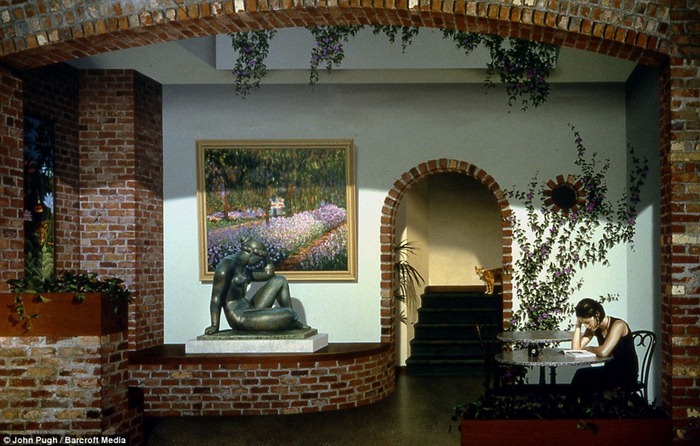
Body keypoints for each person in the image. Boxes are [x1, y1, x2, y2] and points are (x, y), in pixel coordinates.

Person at [204, 237, 302, 334]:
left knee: (280, 280)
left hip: (250, 308)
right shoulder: (226, 267)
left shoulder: (244, 269)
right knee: (290, 314)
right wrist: (214, 325)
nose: (259, 262)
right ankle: (291, 320)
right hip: (239, 317)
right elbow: (216, 298)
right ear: (252, 254)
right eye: (260, 259)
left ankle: (291, 322)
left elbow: (269, 273)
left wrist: (266, 256)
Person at [567, 298, 638, 402]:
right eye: (583, 323)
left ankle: (586, 409)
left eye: (587, 322)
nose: (587, 326)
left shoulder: (618, 325)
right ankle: (569, 407)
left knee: (587, 383)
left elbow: (604, 351)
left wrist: (588, 348)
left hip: (625, 373)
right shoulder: (595, 328)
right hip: (610, 371)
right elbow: (575, 349)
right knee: (580, 374)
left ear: (597, 315)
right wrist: (578, 325)